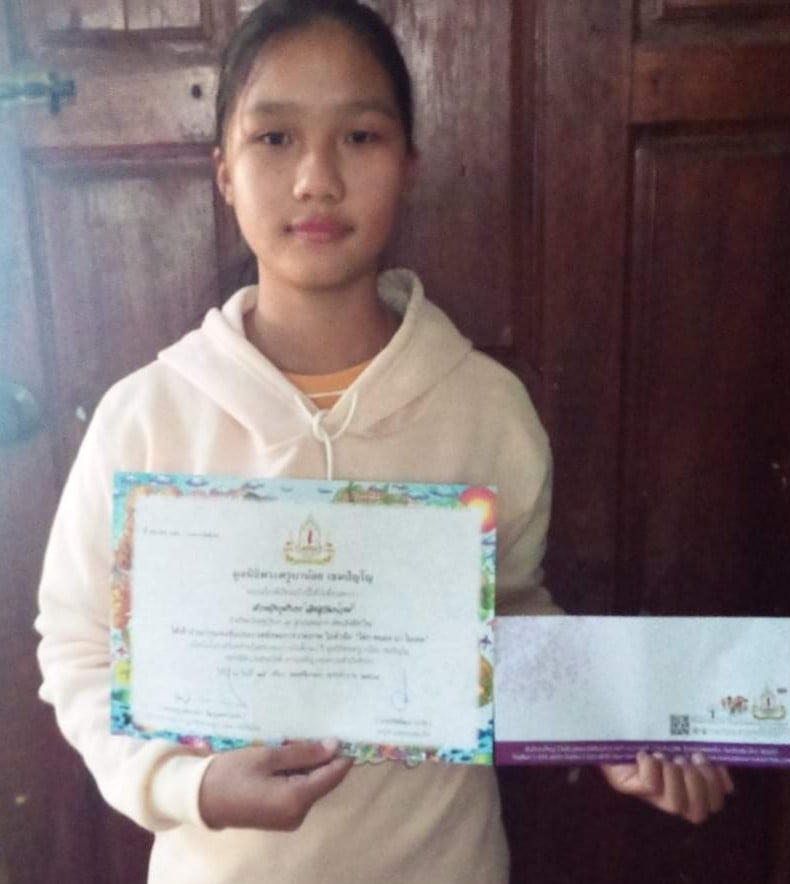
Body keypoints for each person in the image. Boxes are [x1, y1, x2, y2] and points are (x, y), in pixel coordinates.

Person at [35, 2, 733, 882]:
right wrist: (186, 785)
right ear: (224, 173)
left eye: (360, 137)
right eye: (275, 138)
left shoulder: (487, 407)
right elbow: (78, 645)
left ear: (409, 166)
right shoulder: (146, 418)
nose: (317, 180)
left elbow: (502, 620)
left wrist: (606, 728)